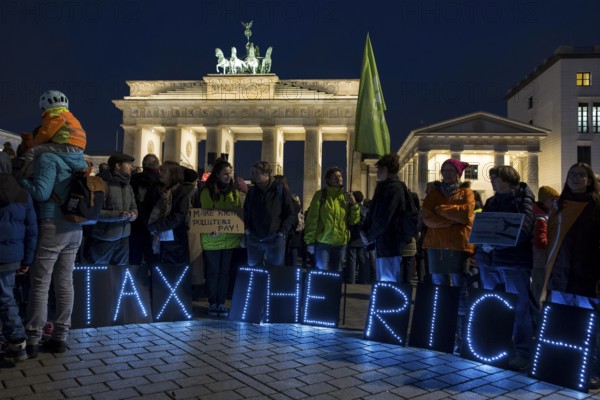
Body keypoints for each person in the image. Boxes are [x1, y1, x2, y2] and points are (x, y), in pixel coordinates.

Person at [18, 132, 88, 357]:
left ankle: (34, 337)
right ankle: (60, 336)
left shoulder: (48, 158)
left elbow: (41, 193)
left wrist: (21, 179)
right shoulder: (79, 159)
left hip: (52, 225)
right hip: (75, 226)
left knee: (40, 283)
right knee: (65, 282)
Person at [541, 163, 600, 387]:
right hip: (560, 272)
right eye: (571, 175)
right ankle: (563, 363)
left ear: (589, 179)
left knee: (589, 324)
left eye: (580, 175)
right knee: (561, 319)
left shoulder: (596, 204)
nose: (575, 178)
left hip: (587, 272)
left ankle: (593, 368)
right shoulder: (559, 205)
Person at [475, 165, 535, 371]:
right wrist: (482, 247)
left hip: (514, 262)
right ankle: (495, 346)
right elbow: (484, 227)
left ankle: (523, 352)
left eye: (496, 178)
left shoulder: (522, 201)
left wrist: (495, 244)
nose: (492, 181)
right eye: (491, 178)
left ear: (509, 180)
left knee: (519, 309)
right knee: (494, 305)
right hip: (490, 261)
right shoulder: (491, 201)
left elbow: (523, 230)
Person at [421, 158, 474, 353]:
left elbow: (466, 214)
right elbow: (427, 218)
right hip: (436, 246)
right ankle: (443, 335)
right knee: (440, 290)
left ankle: (461, 337)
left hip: (458, 246)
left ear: (458, 174)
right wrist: (451, 221)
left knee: (460, 290)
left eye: (451, 170)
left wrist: (439, 210)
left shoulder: (466, 192)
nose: (447, 173)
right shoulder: (434, 193)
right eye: (444, 170)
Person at [0, 152, 37, 363]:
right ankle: (17, 344)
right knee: (7, 299)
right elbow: (32, 230)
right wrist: (27, 260)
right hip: (12, 255)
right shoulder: (22, 193)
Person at [199, 160, 242, 317]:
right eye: (225, 173)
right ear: (217, 174)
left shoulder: (234, 191)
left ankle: (221, 303)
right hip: (212, 240)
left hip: (229, 239)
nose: (228, 176)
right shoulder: (207, 192)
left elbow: (237, 212)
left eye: (230, 173)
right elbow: (207, 213)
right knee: (213, 272)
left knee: (224, 273)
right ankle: (212, 303)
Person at [360, 153, 406, 282]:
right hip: (383, 241)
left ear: (385, 169)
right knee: (383, 279)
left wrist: (369, 236)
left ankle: (388, 301)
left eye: (379, 169)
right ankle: (385, 301)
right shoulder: (385, 187)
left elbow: (385, 217)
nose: (378, 173)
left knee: (388, 279)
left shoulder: (394, 188)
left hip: (390, 242)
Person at [85, 153, 137, 266]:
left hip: (124, 237)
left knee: (121, 274)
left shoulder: (128, 186)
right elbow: (95, 212)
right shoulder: (101, 184)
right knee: (100, 273)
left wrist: (134, 214)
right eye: (128, 164)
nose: (131, 167)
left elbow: (134, 206)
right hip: (104, 237)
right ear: (118, 166)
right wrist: (118, 215)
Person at [304, 167, 360, 271]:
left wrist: (354, 204)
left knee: (336, 276)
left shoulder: (346, 196)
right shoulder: (320, 195)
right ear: (328, 180)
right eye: (335, 177)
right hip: (323, 242)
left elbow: (354, 220)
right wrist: (310, 241)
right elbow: (312, 219)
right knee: (321, 273)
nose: (339, 178)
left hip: (340, 244)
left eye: (340, 176)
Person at [20, 90, 86, 178]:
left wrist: (34, 144)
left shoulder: (55, 115)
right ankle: (83, 167)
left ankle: (28, 175)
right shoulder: (69, 116)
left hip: (66, 145)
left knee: (32, 152)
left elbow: (45, 134)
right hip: (79, 148)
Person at [243, 161, 296, 268]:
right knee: (253, 271)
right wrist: (247, 230)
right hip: (253, 238)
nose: (252, 175)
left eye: (256, 172)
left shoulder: (281, 190)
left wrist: (282, 232)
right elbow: (245, 212)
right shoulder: (252, 191)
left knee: (275, 271)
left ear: (266, 174)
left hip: (275, 238)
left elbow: (291, 213)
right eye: (252, 172)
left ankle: (275, 285)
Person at [144, 161, 191, 266]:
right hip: (154, 238)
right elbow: (145, 209)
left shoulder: (180, 192)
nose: (160, 173)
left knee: (171, 274)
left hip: (174, 241)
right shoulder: (154, 189)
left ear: (173, 174)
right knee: (156, 271)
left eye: (164, 171)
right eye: (160, 170)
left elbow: (179, 216)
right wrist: (149, 225)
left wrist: (156, 226)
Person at [530, 185, 559, 312]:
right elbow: (540, 241)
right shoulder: (541, 219)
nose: (555, 202)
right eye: (552, 199)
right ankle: (539, 318)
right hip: (540, 262)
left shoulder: (545, 216)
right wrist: (555, 243)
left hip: (542, 262)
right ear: (544, 201)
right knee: (540, 292)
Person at [129, 154, 161, 265]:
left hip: (135, 223)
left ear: (143, 165)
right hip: (154, 224)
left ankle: (133, 280)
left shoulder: (133, 179)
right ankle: (151, 280)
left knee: (134, 257)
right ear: (157, 166)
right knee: (153, 258)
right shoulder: (161, 182)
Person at [346, 191, 369, 284]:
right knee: (363, 259)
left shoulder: (351, 209)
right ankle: (364, 279)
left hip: (352, 236)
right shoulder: (366, 210)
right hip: (363, 238)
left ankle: (351, 279)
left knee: (351, 260)